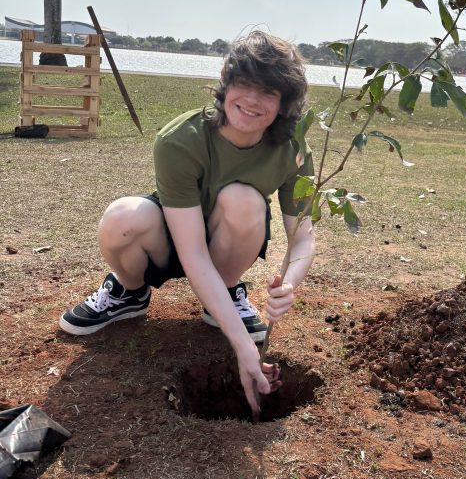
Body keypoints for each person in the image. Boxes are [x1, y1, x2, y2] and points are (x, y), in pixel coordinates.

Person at [59, 31, 316, 414]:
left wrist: (289, 285)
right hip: (175, 240)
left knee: (243, 199)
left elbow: (303, 240)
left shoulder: (294, 150)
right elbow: (191, 252)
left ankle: (223, 298)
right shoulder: (181, 139)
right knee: (123, 216)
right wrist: (244, 348)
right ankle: (128, 294)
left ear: (284, 105)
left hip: (226, 245)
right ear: (226, 85)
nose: (251, 100)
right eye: (243, 84)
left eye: (268, 92)